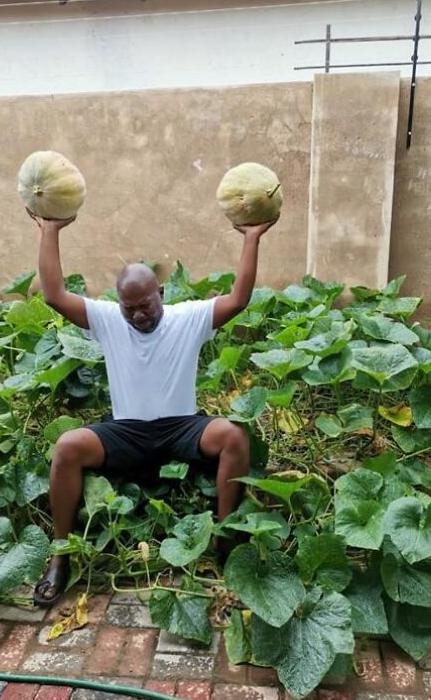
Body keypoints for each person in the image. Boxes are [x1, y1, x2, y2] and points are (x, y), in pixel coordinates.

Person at [28, 210, 275, 606]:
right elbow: (54, 295)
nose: (139, 315)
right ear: (119, 304)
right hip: (125, 431)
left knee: (233, 435)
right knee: (67, 448)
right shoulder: (107, 319)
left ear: (160, 293)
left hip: (181, 428)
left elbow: (239, 298)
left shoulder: (188, 317)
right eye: (130, 309)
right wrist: (51, 230)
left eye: (145, 305)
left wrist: (251, 238)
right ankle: (61, 555)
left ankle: (227, 537)